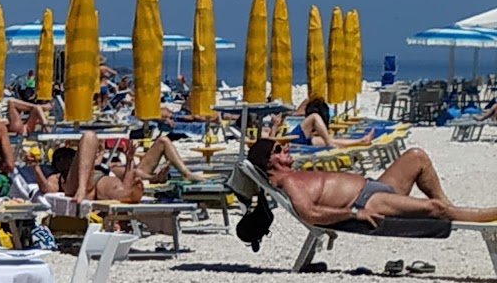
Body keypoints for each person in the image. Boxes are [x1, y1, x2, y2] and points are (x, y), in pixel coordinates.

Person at [247, 139, 497, 226]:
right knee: (434, 209)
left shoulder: (296, 175)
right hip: (368, 201)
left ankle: (452, 208)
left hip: (375, 186)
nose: (286, 148)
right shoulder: (290, 183)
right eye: (279, 149)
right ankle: (486, 214)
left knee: (416, 156)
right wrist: (354, 213)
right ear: (269, 161)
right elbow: (310, 213)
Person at [36, 130, 206, 202]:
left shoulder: (101, 165)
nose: (65, 159)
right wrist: (35, 167)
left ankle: (129, 193)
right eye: (60, 158)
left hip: (103, 182)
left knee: (118, 186)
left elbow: (131, 173)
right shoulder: (57, 177)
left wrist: (131, 160)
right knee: (89, 136)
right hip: (79, 188)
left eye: (68, 155)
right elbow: (48, 190)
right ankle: (83, 189)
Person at [292, 98, 373, 149]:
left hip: (300, 140)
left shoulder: (296, 115)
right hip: (290, 139)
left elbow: (306, 101)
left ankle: (361, 141)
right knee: (314, 116)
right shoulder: (296, 115)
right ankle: (329, 144)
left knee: (332, 140)